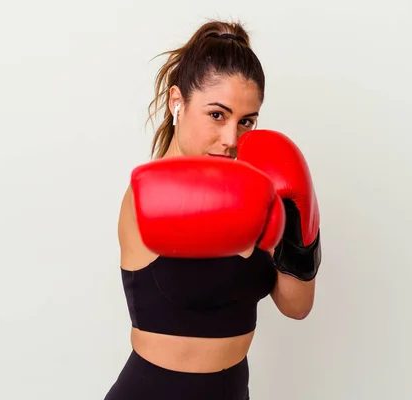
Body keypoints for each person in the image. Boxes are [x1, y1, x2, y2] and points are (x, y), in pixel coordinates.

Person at [104, 20, 322, 400]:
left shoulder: (256, 192)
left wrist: (299, 225)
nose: (231, 140)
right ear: (178, 102)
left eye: (246, 122)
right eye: (217, 115)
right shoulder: (148, 196)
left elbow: (297, 305)